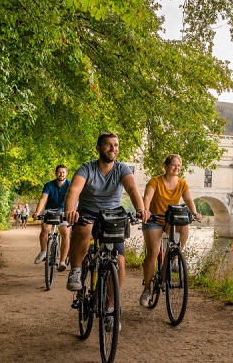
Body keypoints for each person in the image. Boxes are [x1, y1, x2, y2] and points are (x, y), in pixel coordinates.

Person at [63, 132, 148, 330]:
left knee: (119, 263)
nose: (113, 149)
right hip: (89, 214)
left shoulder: (122, 169)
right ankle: (76, 271)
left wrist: (141, 209)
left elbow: (132, 190)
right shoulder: (87, 168)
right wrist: (70, 210)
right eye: (108, 145)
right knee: (84, 229)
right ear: (98, 148)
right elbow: (74, 190)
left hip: (112, 218)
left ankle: (110, 308)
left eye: (116, 145)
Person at [139, 154, 201, 307]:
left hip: (170, 219)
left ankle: (173, 258)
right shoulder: (155, 181)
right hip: (154, 219)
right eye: (173, 165)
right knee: (153, 252)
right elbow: (147, 198)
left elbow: (188, 200)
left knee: (184, 227)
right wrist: (146, 210)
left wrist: (194, 212)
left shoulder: (182, 183)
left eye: (179, 166)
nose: (176, 168)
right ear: (166, 166)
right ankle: (147, 290)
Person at [33, 164, 72, 270]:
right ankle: (43, 251)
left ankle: (62, 261)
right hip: (50, 211)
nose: (61, 174)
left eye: (63, 172)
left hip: (64, 212)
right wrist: (37, 212)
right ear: (56, 173)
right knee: (45, 229)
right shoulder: (49, 185)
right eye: (59, 172)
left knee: (65, 232)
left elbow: (75, 198)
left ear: (67, 173)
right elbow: (43, 199)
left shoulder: (70, 184)